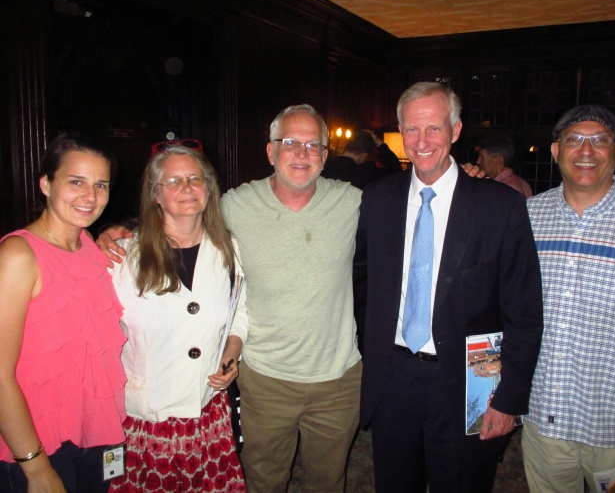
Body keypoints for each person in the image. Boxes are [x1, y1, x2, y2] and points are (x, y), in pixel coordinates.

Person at [97, 105, 363, 492]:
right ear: (271, 152)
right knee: (263, 480)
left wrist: (471, 177)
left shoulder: (352, 201)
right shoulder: (235, 206)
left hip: (338, 379)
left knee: (328, 481)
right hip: (265, 379)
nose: (301, 154)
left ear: (325, 155)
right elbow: (178, 212)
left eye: (312, 145)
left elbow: (408, 202)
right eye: (290, 142)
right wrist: (115, 229)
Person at [354, 81, 544, 492]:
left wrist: (509, 397)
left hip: (469, 382)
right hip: (393, 380)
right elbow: (362, 282)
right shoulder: (378, 199)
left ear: (456, 130)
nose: (422, 142)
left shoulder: (499, 206)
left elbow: (524, 312)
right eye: (411, 130)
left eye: (434, 129)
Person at [521, 104, 615, 492]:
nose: (585, 151)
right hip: (544, 423)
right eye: (573, 141)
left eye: (600, 141)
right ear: (555, 151)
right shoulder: (527, 216)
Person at [106, 145, 246, 491]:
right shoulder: (121, 256)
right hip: (146, 422)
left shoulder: (228, 247)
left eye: (195, 178)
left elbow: (239, 309)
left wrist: (232, 350)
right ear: (155, 194)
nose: (186, 187)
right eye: (172, 181)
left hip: (208, 415)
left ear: (208, 188)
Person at [0, 135, 126, 492]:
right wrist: (36, 468)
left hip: (93, 437)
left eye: (100, 185)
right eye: (76, 182)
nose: (90, 196)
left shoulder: (90, 245)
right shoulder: (18, 256)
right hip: (36, 447)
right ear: (45, 183)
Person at [322, 129, 402, 189]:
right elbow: (397, 173)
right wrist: (380, 144)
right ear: (364, 155)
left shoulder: (323, 168)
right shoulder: (366, 173)